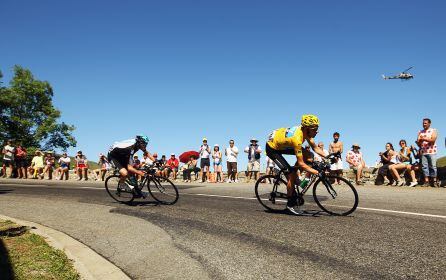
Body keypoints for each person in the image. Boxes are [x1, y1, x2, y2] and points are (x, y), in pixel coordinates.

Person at [265, 114, 327, 215]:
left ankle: (294, 174)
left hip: (282, 144)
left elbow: (315, 148)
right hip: (272, 149)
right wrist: (316, 172)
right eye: (314, 129)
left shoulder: (305, 132)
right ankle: (289, 206)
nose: (317, 131)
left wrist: (328, 157)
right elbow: (302, 164)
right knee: (290, 175)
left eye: (317, 128)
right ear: (307, 128)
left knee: (309, 154)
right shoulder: (297, 138)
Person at [417, 118, 438, 187]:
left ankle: (434, 181)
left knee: (433, 166)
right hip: (423, 152)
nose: (424, 124)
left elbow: (433, 140)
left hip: (432, 151)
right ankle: (427, 181)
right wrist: (419, 142)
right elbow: (419, 143)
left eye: (425, 123)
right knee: (424, 167)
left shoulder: (433, 130)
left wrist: (423, 139)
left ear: (429, 123)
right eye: (423, 123)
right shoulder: (420, 131)